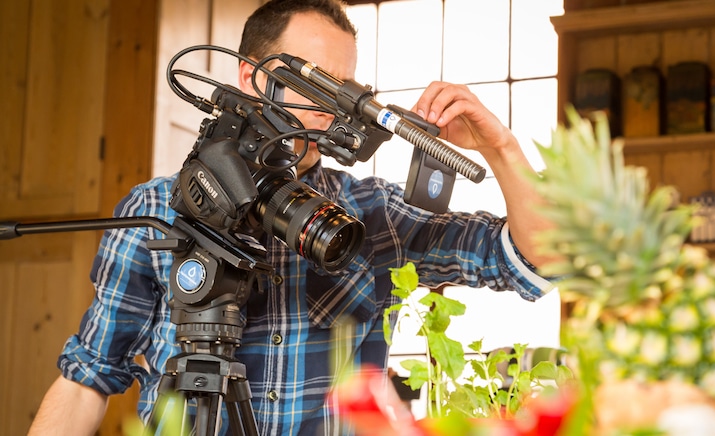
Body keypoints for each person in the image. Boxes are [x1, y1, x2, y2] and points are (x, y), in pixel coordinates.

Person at [28, 0, 556, 434]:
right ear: (251, 77)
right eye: (314, 83)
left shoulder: (376, 216)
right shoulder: (153, 210)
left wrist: (500, 147)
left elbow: (535, 259)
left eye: (344, 89)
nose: (330, 110)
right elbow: (87, 380)